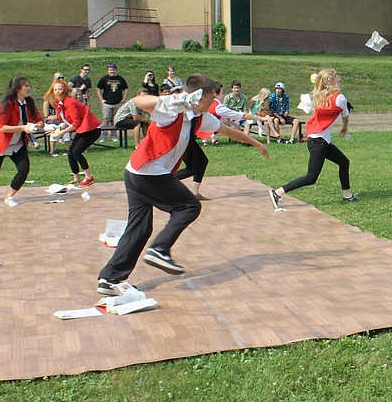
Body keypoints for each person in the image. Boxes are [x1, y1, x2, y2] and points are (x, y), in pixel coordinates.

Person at [95, 74, 270, 296]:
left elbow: (226, 130)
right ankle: (160, 249)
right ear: (200, 96)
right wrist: (173, 100)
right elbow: (138, 101)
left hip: (136, 173)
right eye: (212, 98)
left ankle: (109, 279)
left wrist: (255, 142)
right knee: (189, 206)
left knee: (140, 228)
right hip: (148, 172)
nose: (214, 102)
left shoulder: (200, 117)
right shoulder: (172, 110)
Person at [269, 69, 357, 210]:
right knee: (311, 178)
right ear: (331, 81)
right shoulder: (339, 98)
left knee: (344, 162)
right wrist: (345, 127)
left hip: (321, 140)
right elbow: (345, 115)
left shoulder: (321, 96)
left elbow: (334, 106)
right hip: (318, 143)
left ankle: (347, 195)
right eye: (336, 77)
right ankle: (277, 192)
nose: (339, 78)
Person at [0, 76, 44, 207]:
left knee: (24, 169)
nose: (29, 88)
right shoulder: (7, 103)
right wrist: (23, 127)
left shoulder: (29, 102)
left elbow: (39, 119)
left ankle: (9, 197)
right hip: (0, 143)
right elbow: (2, 127)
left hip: (17, 144)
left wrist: (38, 125)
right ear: (17, 88)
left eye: (29, 85)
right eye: (26, 86)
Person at [47, 79, 101, 187]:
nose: (57, 92)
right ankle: (76, 177)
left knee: (76, 152)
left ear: (65, 90)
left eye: (60, 89)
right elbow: (67, 121)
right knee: (71, 153)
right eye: (55, 89)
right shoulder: (60, 103)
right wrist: (57, 129)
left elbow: (76, 122)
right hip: (83, 129)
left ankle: (89, 177)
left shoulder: (69, 102)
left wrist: (62, 132)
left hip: (92, 129)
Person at [96, 62, 128, 142]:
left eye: (113, 70)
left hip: (117, 103)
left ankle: (114, 136)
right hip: (107, 103)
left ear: (115, 70)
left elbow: (126, 89)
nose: (112, 71)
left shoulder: (120, 79)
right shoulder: (104, 79)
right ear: (108, 70)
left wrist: (124, 99)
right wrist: (101, 99)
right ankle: (103, 136)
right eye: (110, 70)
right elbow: (98, 88)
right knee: (106, 120)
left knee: (115, 120)